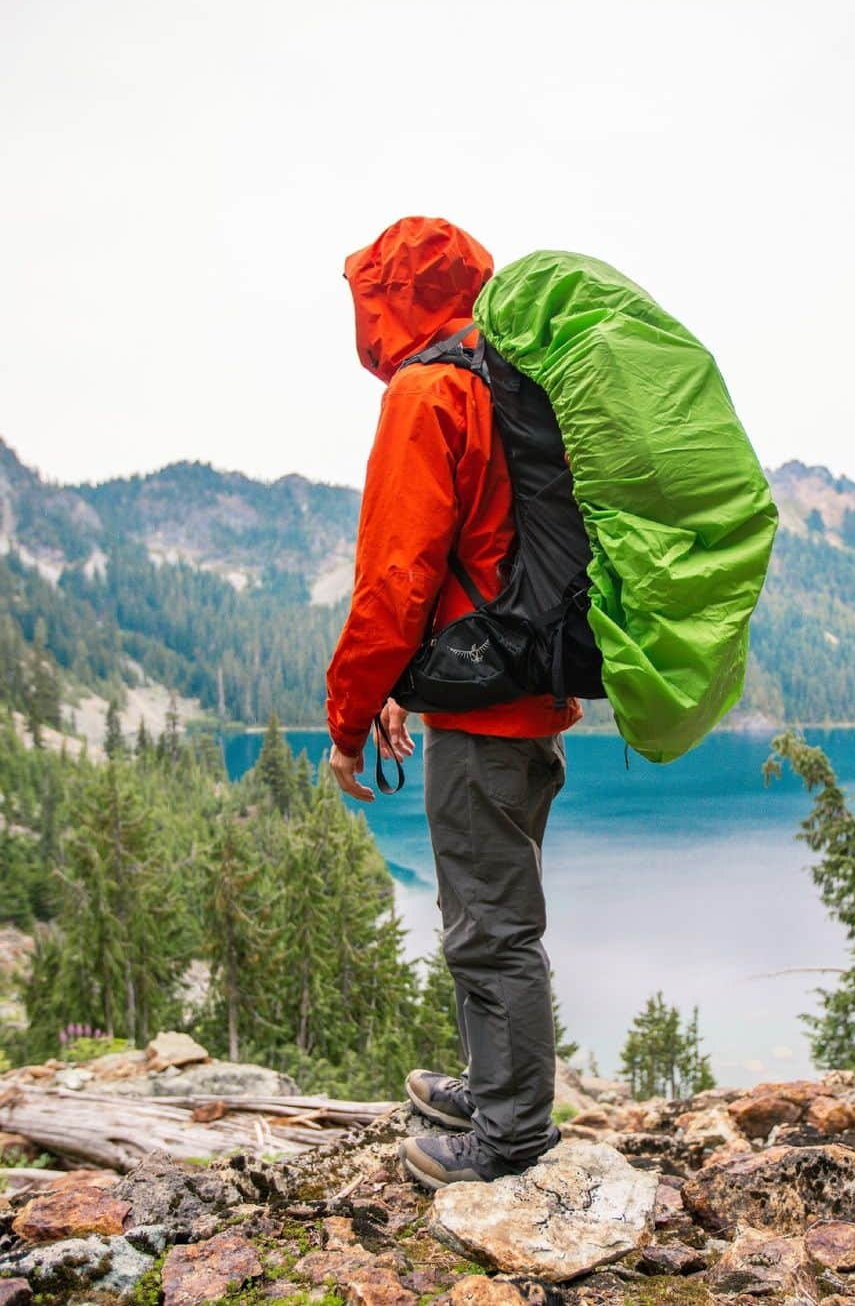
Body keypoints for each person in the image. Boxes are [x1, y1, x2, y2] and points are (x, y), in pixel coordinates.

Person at [325, 215, 580, 1190]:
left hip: (482, 724)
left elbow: (394, 579)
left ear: (390, 297)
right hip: (528, 699)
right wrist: (404, 684)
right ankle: (492, 1083)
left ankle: (513, 1136)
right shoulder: (509, 383)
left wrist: (350, 717)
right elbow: (480, 560)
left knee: (490, 926)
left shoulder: (429, 392)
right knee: (490, 914)